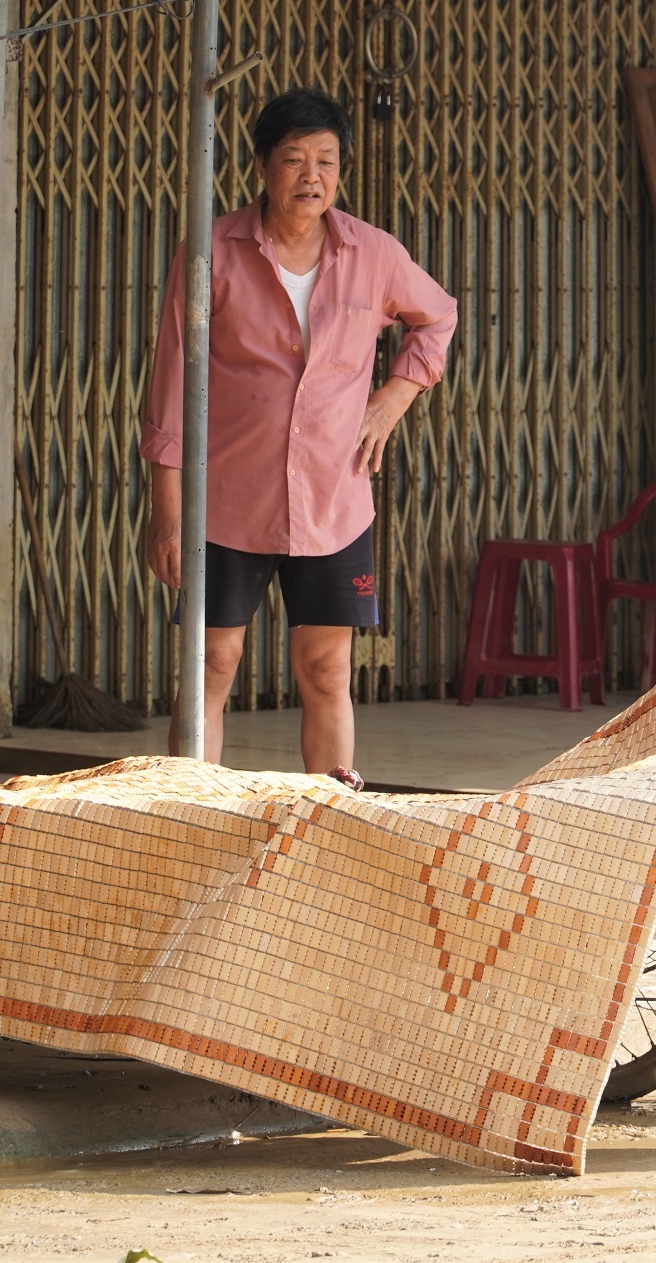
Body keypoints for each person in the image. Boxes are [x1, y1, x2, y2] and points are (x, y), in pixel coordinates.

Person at [141, 87, 457, 788]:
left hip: (333, 501)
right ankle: (187, 818)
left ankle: (328, 826)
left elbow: (437, 318)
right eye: (293, 160)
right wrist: (166, 514)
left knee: (326, 668)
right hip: (226, 502)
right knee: (211, 666)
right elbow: (169, 386)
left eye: (326, 160)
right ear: (260, 166)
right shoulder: (211, 252)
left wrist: (393, 398)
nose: (311, 176)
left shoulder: (372, 254)